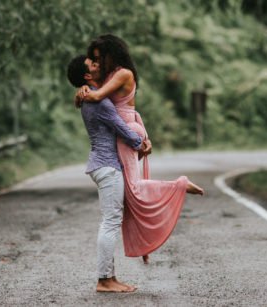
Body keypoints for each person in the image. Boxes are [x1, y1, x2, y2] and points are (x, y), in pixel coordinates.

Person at [76, 34, 204, 264]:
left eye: (99, 58)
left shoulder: (123, 73)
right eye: (94, 60)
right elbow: (100, 96)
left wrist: (82, 92)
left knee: (133, 190)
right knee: (127, 197)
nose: (97, 63)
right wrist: (84, 88)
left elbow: (98, 96)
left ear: (111, 55)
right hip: (125, 131)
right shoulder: (108, 75)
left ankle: (180, 185)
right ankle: (145, 244)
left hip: (127, 131)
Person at [67, 55, 151, 293]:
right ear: (87, 76)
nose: (97, 64)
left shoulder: (91, 97)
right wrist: (142, 142)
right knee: (111, 222)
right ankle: (105, 279)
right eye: (93, 64)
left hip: (101, 164)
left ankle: (109, 277)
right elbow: (121, 128)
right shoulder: (98, 102)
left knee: (110, 221)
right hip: (107, 166)